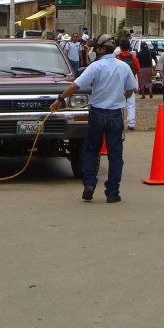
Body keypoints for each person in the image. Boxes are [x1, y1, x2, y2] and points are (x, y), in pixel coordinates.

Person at [50, 34, 136, 203]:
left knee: (91, 151)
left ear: (103, 49)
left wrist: (60, 99)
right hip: (115, 115)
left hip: (97, 113)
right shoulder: (124, 67)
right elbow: (130, 89)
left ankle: (89, 185)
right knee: (115, 155)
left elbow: (76, 85)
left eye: (98, 47)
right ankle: (113, 192)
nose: (96, 50)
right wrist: (120, 99)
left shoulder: (96, 67)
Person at [116, 38, 140, 130]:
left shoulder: (117, 58)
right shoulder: (133, 58)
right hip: (131, 83)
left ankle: (119, 123)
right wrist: (137, 84)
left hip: (120, 84)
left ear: (120, 47)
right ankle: (131, 123)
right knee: (131, 104)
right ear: (129, 47)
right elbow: (138, 70)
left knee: (119, 104)